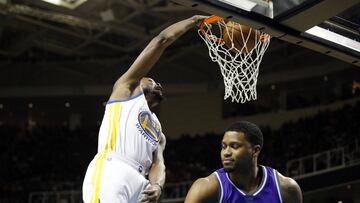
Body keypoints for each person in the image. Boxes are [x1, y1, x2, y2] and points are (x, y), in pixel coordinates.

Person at [82, 15, 207, 203]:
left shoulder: (158, 130)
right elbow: (161, 40)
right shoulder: (125, 90)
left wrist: (157, 185)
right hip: (113, 168)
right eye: (152, 79)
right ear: (139, 80)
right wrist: (193, 20)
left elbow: (158, 163)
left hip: (141, 183)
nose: (158, 83)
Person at [184, 121, 303, 203]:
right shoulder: (205, 189)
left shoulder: (286, 189)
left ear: (255, 151)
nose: (226, 152)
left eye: (234, 146)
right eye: (224, 146)